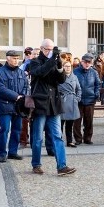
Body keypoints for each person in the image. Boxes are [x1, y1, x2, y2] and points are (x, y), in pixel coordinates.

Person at [27, 39, 76, 175]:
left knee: (57, 136)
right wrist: (52, 59)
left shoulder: (54, 61)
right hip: (40, 104)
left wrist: (59, 63)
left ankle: (62, 166)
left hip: (54, 104)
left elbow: (61, 79)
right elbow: (41, 72)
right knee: (37, 137)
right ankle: (36, 164)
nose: (50, 51)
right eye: (47, 49)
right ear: (42, 49)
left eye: (52, 49)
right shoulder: (35, 62)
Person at [0, 49, 30, 162]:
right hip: (5, 106)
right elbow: (0, 89)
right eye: (14, 58)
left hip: (18, 107)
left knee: (17, 129)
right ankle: (1, 153)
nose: (16, 60)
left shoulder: (21, 72)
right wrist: (16, 96)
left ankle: (13, 152)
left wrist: (22, 96)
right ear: (8, 58)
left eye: (17, 58)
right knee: (4, 129)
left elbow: (26, 86)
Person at [74, 54, 101, 145]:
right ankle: (78, 139)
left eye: (89, 62)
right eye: (85, 62)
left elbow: (98, 84)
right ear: (81, 62)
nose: (87, 64)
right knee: (77, 121)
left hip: (90, 99)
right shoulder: (75, 71)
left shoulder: (94, 72)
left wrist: (96, 94)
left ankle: (87, 138)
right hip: (78, 100)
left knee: (89, 121)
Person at [58, 60, 81, 148]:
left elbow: (79, 89)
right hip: (62, 101)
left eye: (69, 66)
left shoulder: (74, 77)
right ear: (63, 67)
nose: (67, 68)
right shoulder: (59, 77)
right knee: (60, 123)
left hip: (72, 101)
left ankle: (70, 141)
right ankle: (59, 141)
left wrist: (77, 98)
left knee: (70, 124)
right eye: (66, 66)